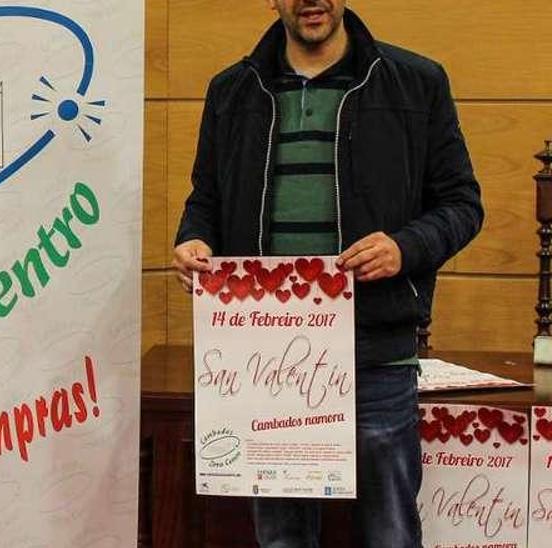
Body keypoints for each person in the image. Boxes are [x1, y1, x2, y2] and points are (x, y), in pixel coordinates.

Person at [173, 1, 483, 546]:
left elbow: (462, 205)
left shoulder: (417, 82)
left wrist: (404, 248)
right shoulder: (230, 91)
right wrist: (193, 238)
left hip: (375, 356)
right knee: (282, 539)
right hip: (264, 363)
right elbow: (207, 199)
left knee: (389, 535)